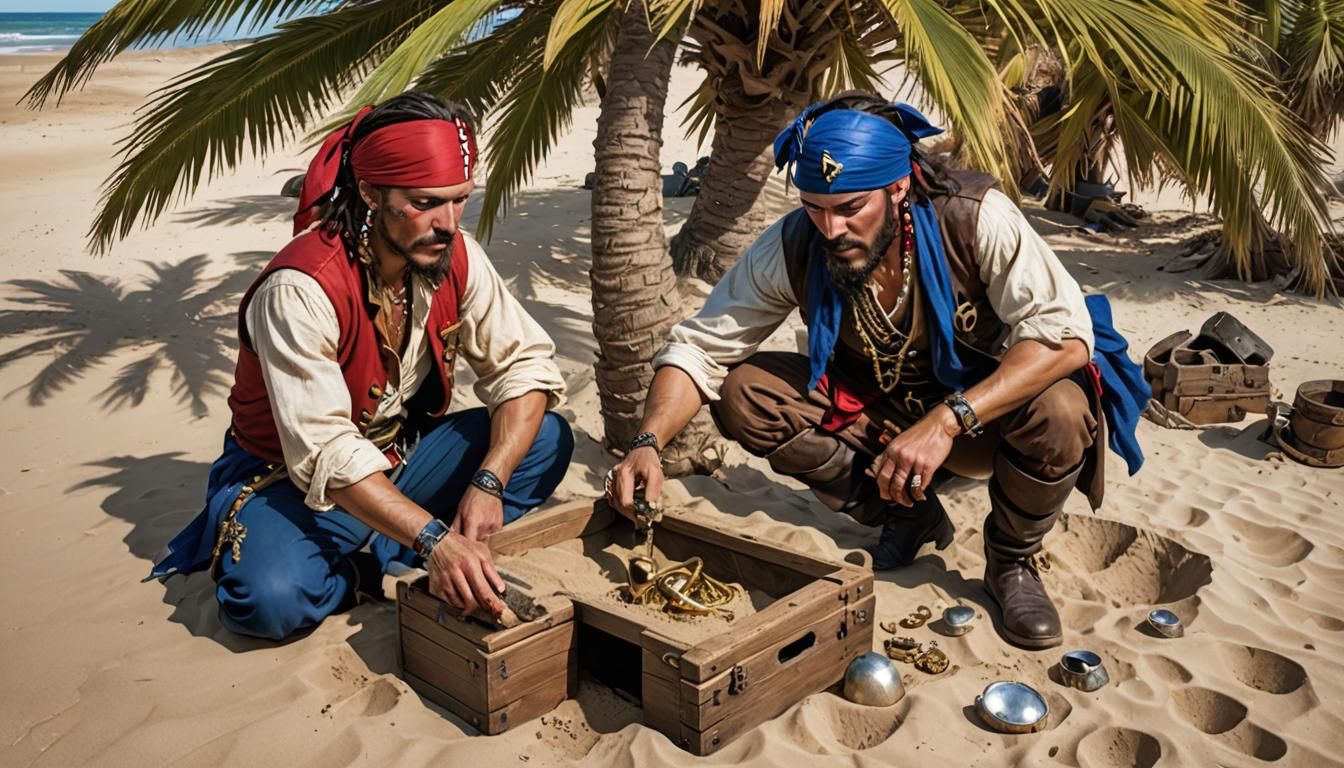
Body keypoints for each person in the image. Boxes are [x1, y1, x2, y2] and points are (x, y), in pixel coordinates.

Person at [606, 92, 1148, 650]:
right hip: (878, 416)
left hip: (985, 422)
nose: (831, 228)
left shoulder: (976, 218)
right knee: (745, 392)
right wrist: (648, 443)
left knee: (1061, 408)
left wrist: (946, 421)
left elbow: (1065, 337)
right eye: (815, 207)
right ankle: (905, 514)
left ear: (899, 187)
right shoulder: (796, 244)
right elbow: (699, 348)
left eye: (850, 208)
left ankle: (1011, 561)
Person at [149, 92, 573, 641]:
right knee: (268, 601)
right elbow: (326, 450)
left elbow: (523, 365)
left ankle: (404, 542)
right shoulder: (299, 288)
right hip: (292, 482)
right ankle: (371, 568)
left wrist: (488, 482)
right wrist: (434, 540)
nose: (447, 224)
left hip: (401, 456)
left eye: (460, 200)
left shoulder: (454, 253)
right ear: (371, 192)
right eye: (424, 202)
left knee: (546, 438)